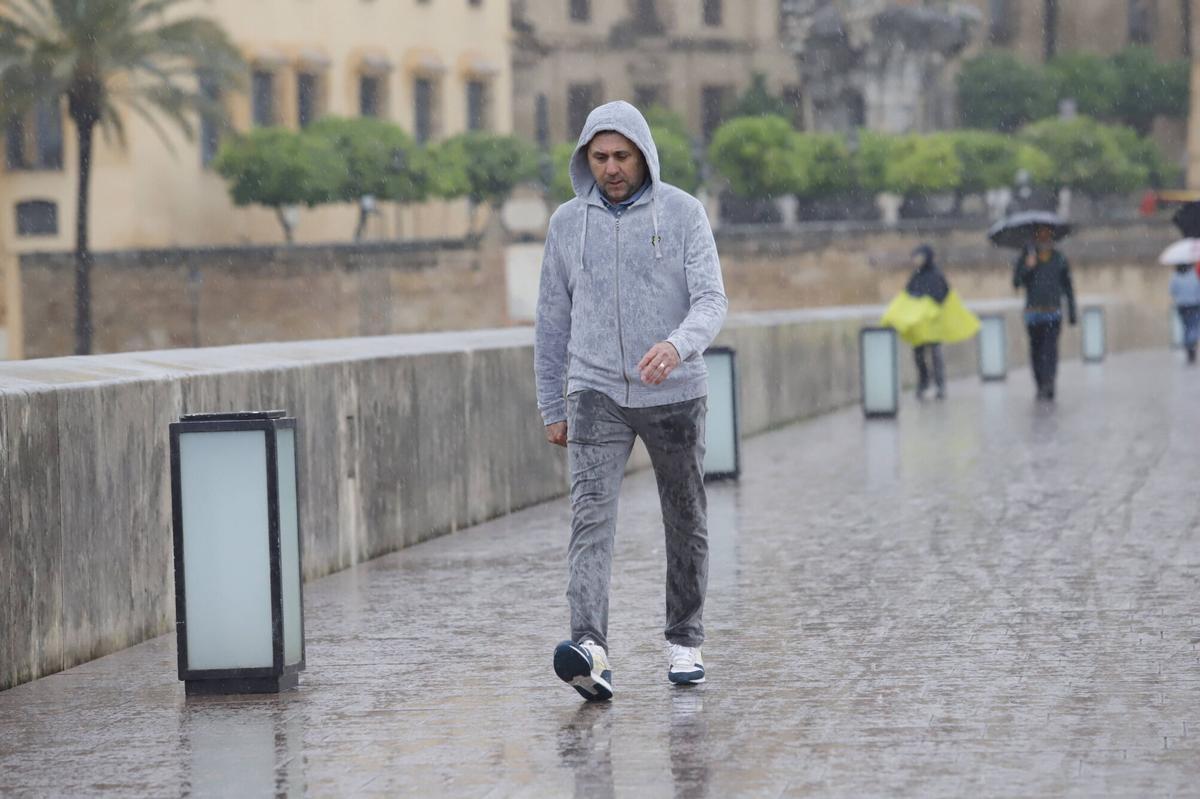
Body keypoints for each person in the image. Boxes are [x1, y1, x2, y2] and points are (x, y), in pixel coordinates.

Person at [534, 101, 728, 701]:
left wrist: (676, 345)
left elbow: (712, 301)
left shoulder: (684, 213)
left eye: (621, 156)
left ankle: (684, 639)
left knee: (685, 516)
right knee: (589, 520)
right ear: (585, 159)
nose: (612, 168)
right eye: (600, 157)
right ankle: (590, 646)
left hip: (673, 392)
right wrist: (552, 403)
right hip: (594, 392)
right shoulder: (568, 223)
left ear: (644, 153)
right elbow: (552, 320)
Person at [1013, 226, 1076, 400]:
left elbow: (1068, 287)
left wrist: (1072, 312)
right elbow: (1017, 282)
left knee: (1050, 350)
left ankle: (1049, 383)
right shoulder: (1027, 257)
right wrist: (1028, 267)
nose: (1043, 239)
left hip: (1052, 313)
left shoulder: (1059, 259)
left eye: (1046, 235)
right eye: (1040, 235)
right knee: (1036, 351)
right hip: (1033, 315)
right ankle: (1040, 383)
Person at [905, 244, 950, 400]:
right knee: (919, 355)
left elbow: (943, 293)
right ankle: (923, 383)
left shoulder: (936, 274)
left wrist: (929, 304)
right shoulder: (916, 276)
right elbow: (908, 293)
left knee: (936, 355)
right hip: (919, 323)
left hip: (932, 323)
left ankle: (940, 385)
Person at [1170, 262, 1200, 364]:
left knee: (1186, 326)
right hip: (1194, 305)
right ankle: (1191, 344)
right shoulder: (1194, 275)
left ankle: (1188, 345)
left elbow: (1172, 291)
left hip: (1182, 306)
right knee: (1193, 326)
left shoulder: (1175, 276)